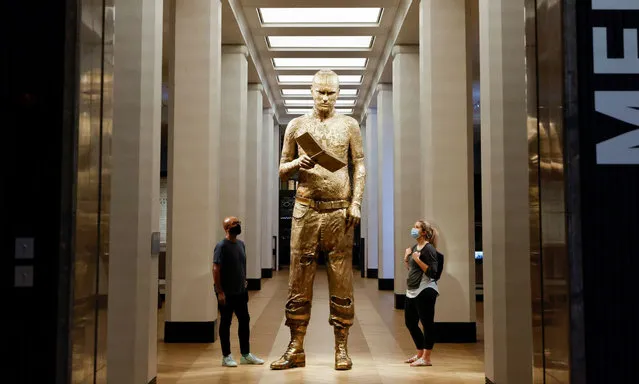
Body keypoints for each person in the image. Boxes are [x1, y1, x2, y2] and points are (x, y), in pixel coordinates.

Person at [270, 69, 366, 371]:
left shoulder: (349, 125)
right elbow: (281, 169)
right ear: (311, 92)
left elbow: (359, 165)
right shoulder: (297, 126)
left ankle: (341, 347)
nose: (325, 98)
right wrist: (299, 162)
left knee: (341, 276)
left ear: (339, 94)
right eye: (320, 92)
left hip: (339, 210)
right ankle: (295, 345)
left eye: (331, 93)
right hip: (305, 208)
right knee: (299, 275)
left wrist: (356, 203)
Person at [212, 216, 264, 367]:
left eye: (239, 223)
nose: (238, 225)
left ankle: (245, 354)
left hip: (240, 291)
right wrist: (220, 291)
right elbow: (216, 268)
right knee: (226, 322)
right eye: (235, 223)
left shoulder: (241, 244)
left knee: (244, 321)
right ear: (227, 227)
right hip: (226, 292)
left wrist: (244, 280)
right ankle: (226, 356)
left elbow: (241, 264)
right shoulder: (221, 246)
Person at [403, 220, 439, 367]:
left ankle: (427, 358)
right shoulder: (414, 247)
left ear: (424, 232)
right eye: (414, 226)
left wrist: (417, 260)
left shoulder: (429, 249)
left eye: (417, 227)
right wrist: (407, 258)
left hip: (425, 290)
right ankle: (419, 353)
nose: (414, 229)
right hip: (412, 290)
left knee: (427, 323)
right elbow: (411, 270)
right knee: (410, 323)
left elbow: (432, 272)